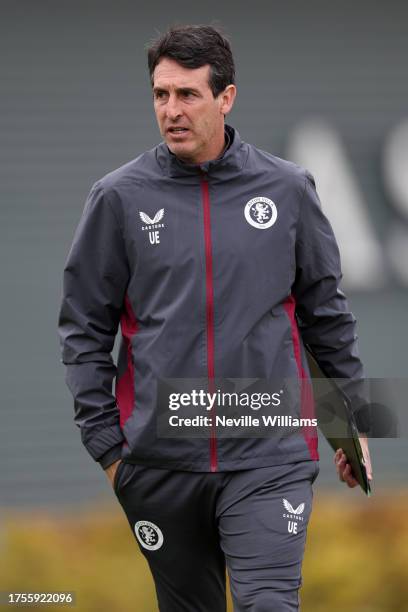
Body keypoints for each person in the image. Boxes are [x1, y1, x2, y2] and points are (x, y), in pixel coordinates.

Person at [58, 24, 372, 612]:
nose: (171, 110)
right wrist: (109, 450)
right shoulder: (117, 197)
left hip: (268, 454)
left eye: (188, 95)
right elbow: (82, 328)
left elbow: (325, 316)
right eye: (161, 95)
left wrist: (350, 425)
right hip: (158, 463)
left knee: (269, 604)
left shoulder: (288, 188)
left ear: (226, 98)